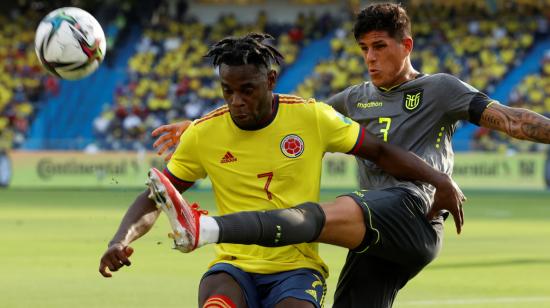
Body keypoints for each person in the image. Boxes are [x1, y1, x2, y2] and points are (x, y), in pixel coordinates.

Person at [150, 3, 550, 308]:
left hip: (415, 210)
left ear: (406, 46)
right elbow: (284, 117)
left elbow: (513, 121)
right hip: (375, 232)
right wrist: (204, 124)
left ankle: (208, 230)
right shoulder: (354, 99)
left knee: (315, 215)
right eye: (363, 48)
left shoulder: (440, 88)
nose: (370, 57)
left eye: (380, 46)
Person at [98, 32, 465, 308]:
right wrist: (120, 239)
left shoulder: (310, 117)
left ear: (271, 81)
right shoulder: (203, 134)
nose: (236, 101)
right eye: (227, 90)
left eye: (247, 89)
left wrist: (439, 179)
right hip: (232, 266)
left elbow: (381, 151)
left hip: (297, 268)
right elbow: (155, 198)